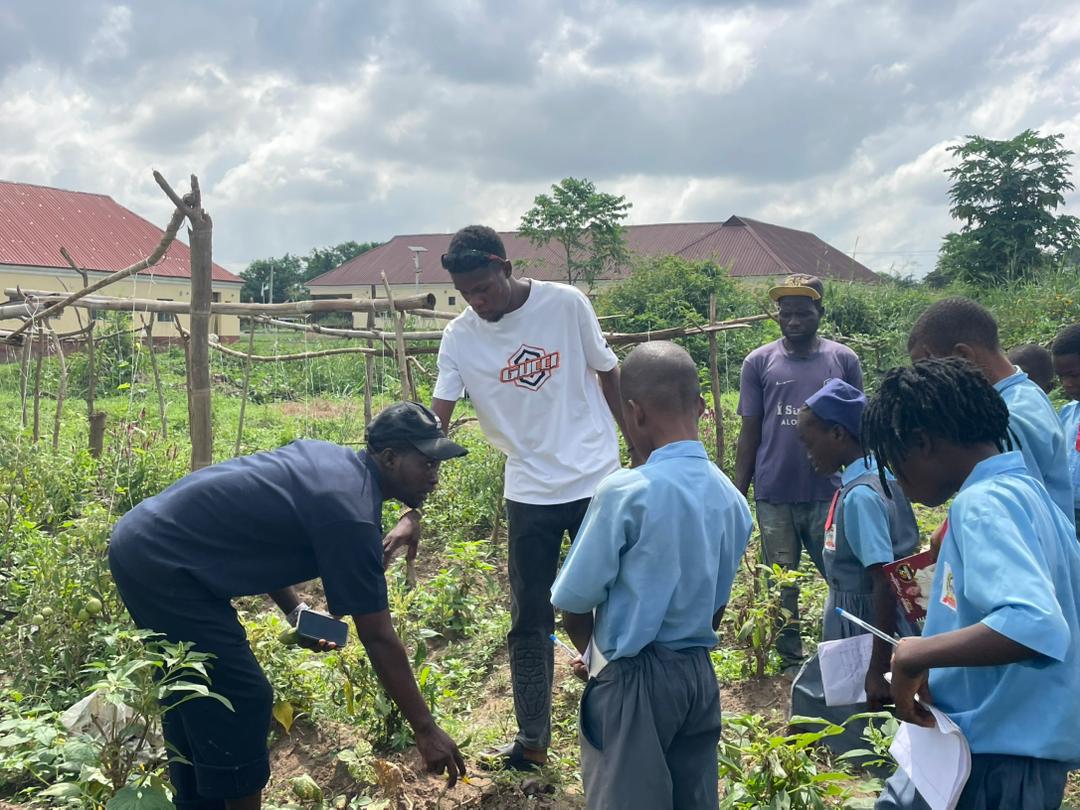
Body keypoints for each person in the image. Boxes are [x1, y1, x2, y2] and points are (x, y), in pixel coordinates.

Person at [108, 403, 469, 810]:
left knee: (196, 687)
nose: (435, 476)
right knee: (243, 696)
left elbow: (259, 538)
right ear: (389, 458)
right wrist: (426, 729)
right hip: (163, 564)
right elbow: (379, 638)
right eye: (428, 464)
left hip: (144, 541)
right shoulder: (351, 516)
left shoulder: (336, 465)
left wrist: (295, 611)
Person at [409, 224, 632, 771]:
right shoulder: (460, 337)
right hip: (529, 490)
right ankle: (532, 741)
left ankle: (626, 713)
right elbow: (437, 420)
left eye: (484, 288)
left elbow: (609, 374)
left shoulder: (566, 304)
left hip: (595, 477)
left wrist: (641, 453)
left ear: (506, 269)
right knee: (528, 616)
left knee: (616, 600)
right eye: (466, 293)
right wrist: (414, 503)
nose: (477, 302)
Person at [862, 359, 1080, 810]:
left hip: (995, 763)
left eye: (894, 462)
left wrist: (915, 654)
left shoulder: (982, 504)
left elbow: (1036, 625)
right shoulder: (1030, 494)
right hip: (1004, 752)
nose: (897, 479)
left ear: (922, 442)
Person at [550, 342, 752, 810]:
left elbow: (574, 605)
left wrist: (597, 659)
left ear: (634, 413)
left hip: (633, 681)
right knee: (693, 799)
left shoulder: (626, 492)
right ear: (701, 406)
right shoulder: (732, 499)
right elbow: (716, 609)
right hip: (697, 675)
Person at [735, 274, 863, 672]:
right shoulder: (759, 362)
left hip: (829, 491)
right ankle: (789, 658)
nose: (793, 321)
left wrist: (864, 478)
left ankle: (850, 649)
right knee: (781, 582)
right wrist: (739, 492)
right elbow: (750, 430)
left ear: (820, 312)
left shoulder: (843, 360)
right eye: (785, 312)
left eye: (803, 313)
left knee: (842, 575)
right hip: (775, 491)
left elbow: (858, 426)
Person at [790, 379, 919, 763]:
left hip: (864, 623)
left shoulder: (861, 495)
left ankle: (872, 774)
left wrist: (877, 667)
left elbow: (883, 581)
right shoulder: (882, 478)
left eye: (809, 442)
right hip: (867, 618)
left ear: (837, 433)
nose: (808, 453)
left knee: (852, 709)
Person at [908, 297, 1075, 531]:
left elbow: (1011, 518)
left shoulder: (1008, 420)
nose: (926, 380)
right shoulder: (1027, 393)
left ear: (963, 356)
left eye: (928, 366)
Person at [1052, 323, 1080, 538]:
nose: (1067, 383)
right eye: (1061, 376)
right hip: (1068, 513)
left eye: (1074, 374)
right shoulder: (1067, 414)